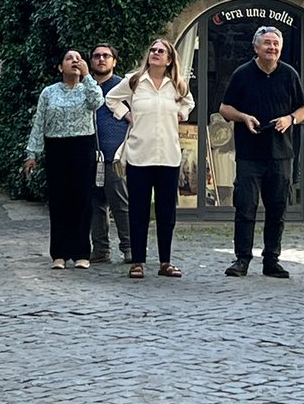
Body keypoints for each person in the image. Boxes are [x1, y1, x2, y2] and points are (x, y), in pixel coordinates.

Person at [219, 25, 304, 279]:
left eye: (275, 44)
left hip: (281, 154)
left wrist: (290, 119)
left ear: (280, 49)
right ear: (256, 47)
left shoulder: (289, 74)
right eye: (267, 43)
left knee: (277, 209)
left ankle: (272, 260)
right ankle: (242, 260)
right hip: (249, 154)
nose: (272, 47)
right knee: (245, 207)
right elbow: (224, 108)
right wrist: (243, 117)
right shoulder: (242, 74)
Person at [106, 38, 195, 280]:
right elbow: (111, 99)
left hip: (168, 155)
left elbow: (189, 103)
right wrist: (126, 115)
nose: (155, 53)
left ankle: (165, 261)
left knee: (166, 212)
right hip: (139, 154)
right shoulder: (135, 81)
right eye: (153, 50)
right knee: (138, 210)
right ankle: (137, 261)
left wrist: (182, 113)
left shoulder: (176, 85)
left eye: (161, 51)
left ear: (169, 59)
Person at [23, 49, 104, 270]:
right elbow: (39, 122)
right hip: (57, 146)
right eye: (69, 59)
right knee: (59, 200)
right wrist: (32, 154)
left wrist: (88, 77)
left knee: (82, 200)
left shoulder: (87, 89)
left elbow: (98, 102)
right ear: (60, 67)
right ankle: (59, 253)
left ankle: (81, 252)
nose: (75, 62)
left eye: (78, 59)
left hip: (82, 145)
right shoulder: (49, 93)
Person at [88, 43, 132, 264]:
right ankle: (100, 249)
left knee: (120, 204)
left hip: (115, 155)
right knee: (95, 205)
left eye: (106, 56)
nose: (101, 59)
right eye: (96, 56)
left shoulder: (124, 87)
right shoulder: (85, 87)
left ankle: (129, 248)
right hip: (89, 155)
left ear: (114, 61)